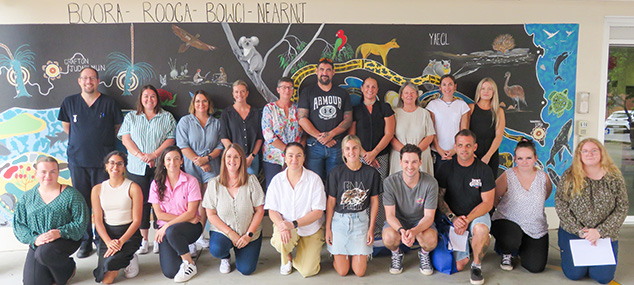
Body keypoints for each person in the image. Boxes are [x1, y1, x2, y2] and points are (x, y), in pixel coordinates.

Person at [58, 67, 123, 258]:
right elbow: (66, 126)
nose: (88, 81)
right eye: (85, 78)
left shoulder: (109, 103)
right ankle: (85, 241)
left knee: (103, 203)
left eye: (92, 78)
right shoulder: (69, 102)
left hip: (104, 162)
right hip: (78, 161)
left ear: (98, 81)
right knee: (82, 204)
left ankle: (102, 240)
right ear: (79, 81)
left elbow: (117, 127)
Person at [556, 138, 628, 284]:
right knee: (574, 275)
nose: (590, 154)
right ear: (579, 155)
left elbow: (622, 207)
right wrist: (580, 231)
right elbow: (561, 204)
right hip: (575, 233)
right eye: (585, 151)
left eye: (594, 150)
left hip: (604, 234)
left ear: (601, 153)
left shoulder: (614, 177)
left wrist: (600, 231)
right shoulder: (569, 176)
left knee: (603, 278)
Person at [118, 84, 176, 254]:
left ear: (157, 99)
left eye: (152, 96)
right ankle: (144, 239)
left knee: (161, 201)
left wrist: (154, 155)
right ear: (141, 99)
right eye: (146, 96)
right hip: (137, 167)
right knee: (141, 203)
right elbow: (125, 139)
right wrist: (141, 155)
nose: (149, 99)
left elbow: (171, 139)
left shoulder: (167, 117)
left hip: (160, 166)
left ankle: (159, 237)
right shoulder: (132, 117)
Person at [13, 156, 89, 285]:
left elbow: (81, 223)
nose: (48, 175)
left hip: (65, 239)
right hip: (38, 242)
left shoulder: (71, 195)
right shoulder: (27, 197)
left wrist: (59, 232)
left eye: (53, 171)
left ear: (58, 173)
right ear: (36, 173)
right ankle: (49, 267)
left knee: (44, 254)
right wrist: (35, 240)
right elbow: (19, 225)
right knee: (32, 282)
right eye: (43, 171)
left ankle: (68, 268)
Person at [435, 129, 495, 285]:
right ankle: (469, 244)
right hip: (453, 219)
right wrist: (453, 218)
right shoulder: (445, 168)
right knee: (459, 265)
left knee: (481, 229)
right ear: (455, 146)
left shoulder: (484, 170)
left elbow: (488, 203)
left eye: (468, 145)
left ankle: (476, 266)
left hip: (475, 216)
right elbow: (439, 198)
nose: (464, 149)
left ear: (475, 147)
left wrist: (467, 220)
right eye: (460, 145)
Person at [265, 142, 327, 277]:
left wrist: (293, 224)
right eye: (290, 156)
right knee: (281, 240)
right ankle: (286, 257)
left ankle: (301, 253)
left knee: (308, 271)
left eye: (299, 156)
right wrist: (281, 225)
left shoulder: (314, 179)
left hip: (310, 228)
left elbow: (318, 212)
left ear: (304, 158)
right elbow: (272, 210)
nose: (294, 160)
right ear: (285, 158)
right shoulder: (277, 180)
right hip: (286, 228)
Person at [491, 139, 551, 273]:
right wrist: (503, 208)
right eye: (520, 158)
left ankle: (522, 248)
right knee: (512, 238)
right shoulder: (508, 175)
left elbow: (546, 194)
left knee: (536, 267)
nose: (525, 162)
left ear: (535, 158)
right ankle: (506, 251)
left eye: (528, 158)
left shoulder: (543, 177)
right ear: (515, 159)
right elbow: (494, 196)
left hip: (535, 227)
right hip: (509, 221)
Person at [203, 144, 265, 275]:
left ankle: (242, 250)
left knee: (246, 270)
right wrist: (231, 233)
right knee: (217, 249)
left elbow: (259, 211)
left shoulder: (251, 180)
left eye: (236, 157)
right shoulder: (214, 183)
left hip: (248, 234)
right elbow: (211, 214)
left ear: (242, 160)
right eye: (229, 156)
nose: (232, 160)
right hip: (224, 233)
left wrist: (248, 235)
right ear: (224, 160)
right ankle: (225, 257)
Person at [325, 135, 381, 277]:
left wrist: (371, 229)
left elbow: (374, 202)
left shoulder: (371, 173)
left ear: (360, 150)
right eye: (347, 149)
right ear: (343, 152)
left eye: (355, 148)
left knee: (360, 272)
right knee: (343, 272)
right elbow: (331, 202)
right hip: (340, 221)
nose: (351, 152)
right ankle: (338, 255)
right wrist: (328, 229)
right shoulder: (335, 173)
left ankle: (352, 253)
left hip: (360, 222)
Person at [176, 90, 224, 249]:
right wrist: (200, 162)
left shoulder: (216, 123)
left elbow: (220, 145)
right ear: (193, 104)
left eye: (204, 101)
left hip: (212, 165)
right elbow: (183, 146)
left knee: (207, 202)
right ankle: (191, 237)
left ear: (209, 104)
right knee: (194, 203)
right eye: (197, 101)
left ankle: (200, 236)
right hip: (191, 166)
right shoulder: (185, 121)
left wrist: (208, 159)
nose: (201, 104)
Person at [148, 146, 202, 282]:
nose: (173, 162)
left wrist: (166, 226)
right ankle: (180, 248)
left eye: (176, 159)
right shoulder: (156, 184)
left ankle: (189, 263)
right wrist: (186, 218)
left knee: (172, 231)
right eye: (169, 159)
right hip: (180, 225)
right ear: (164, 163)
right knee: (170, 272)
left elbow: (191, 212)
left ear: (182, 161)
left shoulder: (191, 181)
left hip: (190, 227)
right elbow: (159, 215)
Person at [382, 144, 438, 276]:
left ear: (420, 162)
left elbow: (429, 217)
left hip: (420, 222)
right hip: (399, 222)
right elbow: (390, 215)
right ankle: (396, 254)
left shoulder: (430, 183)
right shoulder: (390, 182)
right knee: (388, 238)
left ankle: (424, 254)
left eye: (414, 162)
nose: (410, 166)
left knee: (431, 241)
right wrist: (402, 231)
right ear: (400, 162)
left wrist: (414, 231)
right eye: (406, 161)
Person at [91, 151, 143, 283]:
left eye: (120, 164)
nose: (115, 167)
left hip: (128, 235)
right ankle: (123, 257)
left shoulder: (133, 188)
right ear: (106, 166)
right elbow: (98, 220)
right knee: (104, 279)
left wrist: (120, 242)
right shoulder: (97, 189)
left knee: (111, 265)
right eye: (112, 163)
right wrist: (108, 242)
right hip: (108, 235)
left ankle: (130, 257)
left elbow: (137, 221)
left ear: (124, 167)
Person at [298, 58, 353, 181]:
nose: (325, 73)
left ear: (333, 72)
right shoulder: (307, 92)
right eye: (322, 69)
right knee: (314, 182)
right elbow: (302, 118)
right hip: (313, 145)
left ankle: (332, 201)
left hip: (336, 144)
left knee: (335, 182)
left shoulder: (342, 93)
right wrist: (321, 137)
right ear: (316, 71)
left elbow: (348, 120)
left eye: (328, 70)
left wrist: (331, 135)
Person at [262, 77, 304, 188]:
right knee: (274, 189)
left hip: (295, 159)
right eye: (284, 87)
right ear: (278, 90)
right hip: (273, 157)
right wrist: (287, 151)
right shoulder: (269, 108)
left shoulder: (298, 109)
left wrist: (297, 152)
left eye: (290, 88)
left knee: (294, 188)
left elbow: (304, 132)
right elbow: (268, 134)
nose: (287, 90)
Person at [350, 77, 395, 179]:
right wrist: (366, 156)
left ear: (377, 90)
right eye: (367, 86)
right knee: (360, 188)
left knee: (380, 187)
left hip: (381, 156)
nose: (370, 89)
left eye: (373, 87)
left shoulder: (385, 108)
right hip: (360, 156)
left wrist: (374, 153)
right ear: (362, 88)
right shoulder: (355, 110)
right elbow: (352, 136)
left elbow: (389, 134)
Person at [426, 74, 470, 172]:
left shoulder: (462, 105)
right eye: (444, 85)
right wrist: (439, 149)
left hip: (457, 153)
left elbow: (464, 131)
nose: (447, 88)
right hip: (437, 153)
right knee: (439, 183)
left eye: (450, 84)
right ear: (440, 87)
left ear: (455, 86)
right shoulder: (432, 105)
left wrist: (455, 150)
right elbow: (431, 129)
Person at [389, 81, 435, 175]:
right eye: (406, 93)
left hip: (421, 157)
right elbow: (390, 136)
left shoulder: (424, 113)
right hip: (400, 157)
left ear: (417, 95)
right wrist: (406, 153)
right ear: (401, 95)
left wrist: (415, 153)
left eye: (412, 92)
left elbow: (430, 136)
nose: (409, 95)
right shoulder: (394, 113)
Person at [220, 80, 263, 175]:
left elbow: (259, 138)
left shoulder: (256, 113)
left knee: (251, 186)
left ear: (247, 93)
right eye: (236, 92)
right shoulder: (226, 113)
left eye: (242, 91)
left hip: (252, 159)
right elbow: (224, 138)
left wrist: (252, 156)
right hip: (233, 160)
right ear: (233, 94)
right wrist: (237, 157)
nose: (239, 94)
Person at [469, 78, 506, 178]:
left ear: (494, 92)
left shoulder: (499, 112)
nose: (486, 91)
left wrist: (488, 156)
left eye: (489, 89)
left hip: (491, 156)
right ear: (479, 91)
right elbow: (465, 133)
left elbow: (499, 136)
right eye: (483, 88)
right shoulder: (471, 108)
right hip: (472, 154)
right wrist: (470, 153)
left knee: (488, 187)